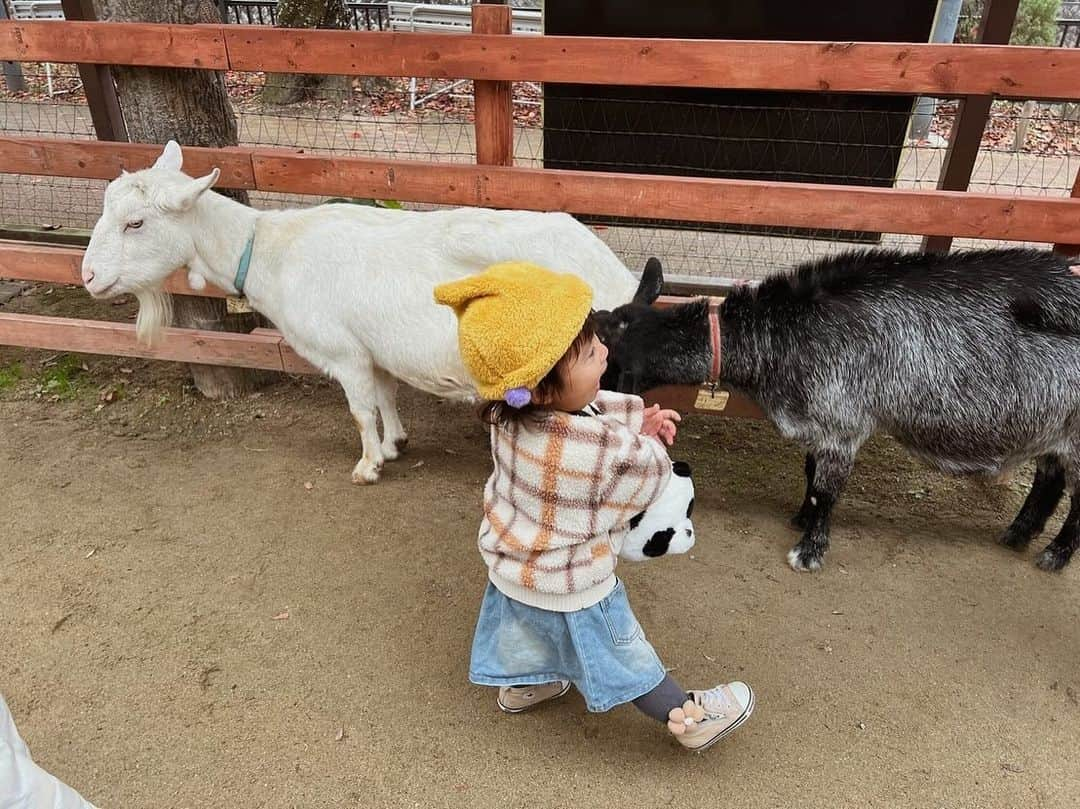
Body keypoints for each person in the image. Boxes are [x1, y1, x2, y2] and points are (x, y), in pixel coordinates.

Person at [434, 261, 754, 751]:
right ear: (540, 387)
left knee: (527, 634)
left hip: (515, 568)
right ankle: (687, 717)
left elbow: (586, 411)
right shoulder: (597, 454)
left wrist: (634, 419)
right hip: (575, 582)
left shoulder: (509, 413)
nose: (604, 349)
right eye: (588, 351)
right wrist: (649, 442)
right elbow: (644, 475)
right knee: (623, 652)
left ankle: (526, 685)